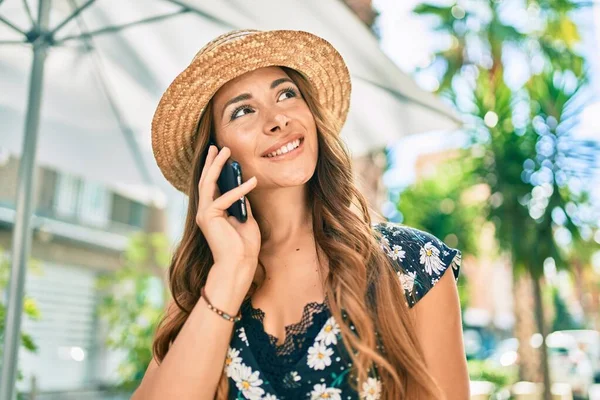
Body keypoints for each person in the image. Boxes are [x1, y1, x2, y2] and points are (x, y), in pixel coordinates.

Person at [133, 29, 469, 400]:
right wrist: (230, 272)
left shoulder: (411, 263)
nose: (277, 119)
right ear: (216, 156)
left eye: (286, 94)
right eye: (243, 110)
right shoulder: (201, 290)